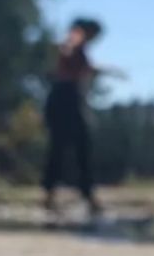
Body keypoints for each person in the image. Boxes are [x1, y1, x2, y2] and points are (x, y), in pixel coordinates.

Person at [43, 18, 122, 217]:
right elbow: (67, 52)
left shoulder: (80, 48)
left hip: (68, 98)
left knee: (69, 148)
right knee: (71, 148)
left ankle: (58, 195)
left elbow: (82, 70)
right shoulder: (75, 38)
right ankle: (75, 196)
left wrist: (106, 71)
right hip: (64, 98)